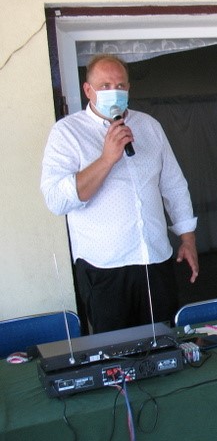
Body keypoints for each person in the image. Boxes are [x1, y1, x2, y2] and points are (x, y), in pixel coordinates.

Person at [41, 54, 199, 333]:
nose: (114, 91)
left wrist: (187, 238)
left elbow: (173, 185)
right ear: (88, 90)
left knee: (164, 341)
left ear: (129, 88)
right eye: (104, 86)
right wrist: (106, 159)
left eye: (120, 85)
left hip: (155, 258)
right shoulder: (67, 132)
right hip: (105, 266)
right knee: (115, 350)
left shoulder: (149, 126)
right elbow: (56, 200)